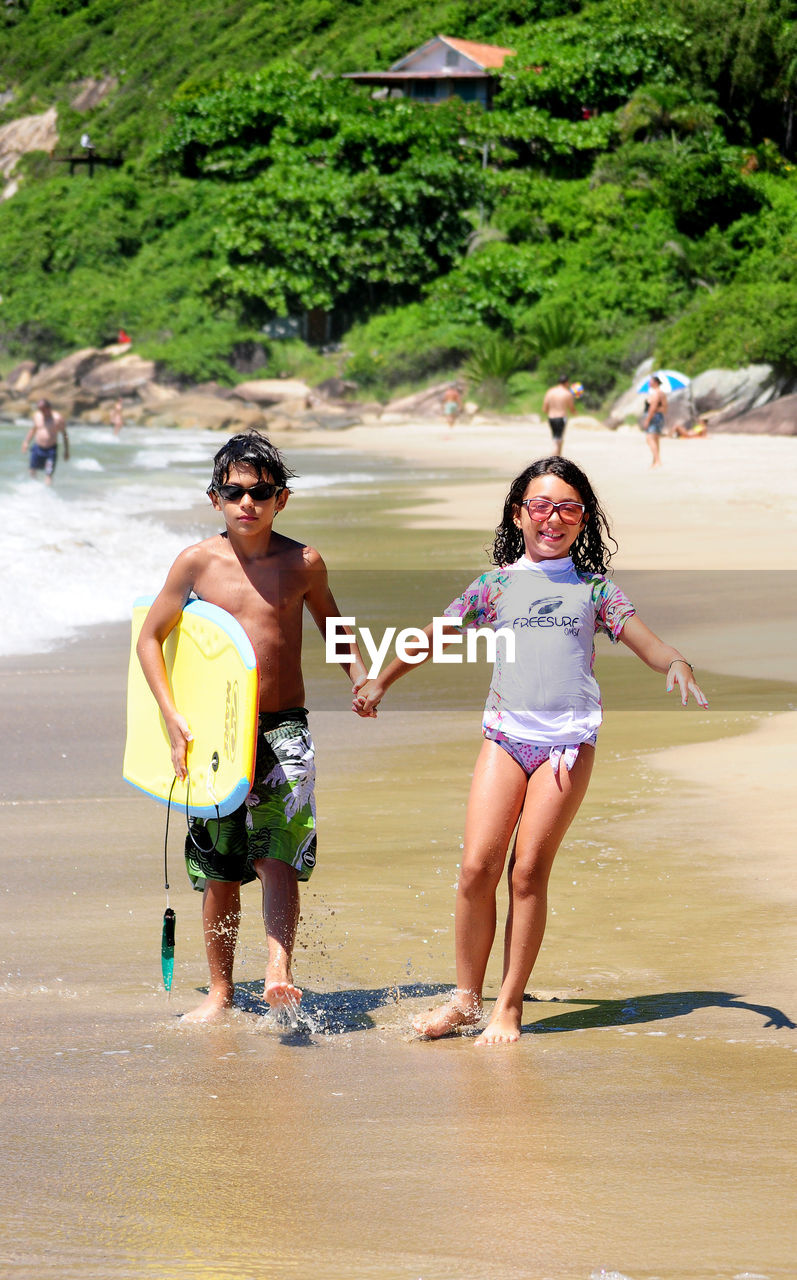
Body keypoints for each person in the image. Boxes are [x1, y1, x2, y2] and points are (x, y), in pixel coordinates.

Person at [353, 456, 707, 1046]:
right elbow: (433, 637)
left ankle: (508, 1006)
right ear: (519, 515)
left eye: (568, 507)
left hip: (566, 747)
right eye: (540, 506)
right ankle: (466, 999)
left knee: (526, 874)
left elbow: (647, 641)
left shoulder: (595, 590)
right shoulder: (494, 586)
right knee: (475, 871)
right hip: (505, 737)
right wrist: (382, 681)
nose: (553, 518)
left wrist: (675, 661)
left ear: (584, 519)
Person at [136, 432, 371, 1023]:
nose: (247, 503)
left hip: (284, 724)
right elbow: (149, 639)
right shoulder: (196, 562)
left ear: (281, 499)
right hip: (213, 732)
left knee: (280, 851)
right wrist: (171, 716)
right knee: (220, 865)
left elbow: (333, 626)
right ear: (215, 497)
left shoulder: (303, 563)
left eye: (260, 492)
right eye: (234, 491)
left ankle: (277, 972)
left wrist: (360, 678)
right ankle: (219, 991)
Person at [21, 399, 70, 485]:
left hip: (50, 450)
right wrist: (26, 442)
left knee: (49, 473)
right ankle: (34, 489)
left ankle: (47, 493)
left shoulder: (57, 418)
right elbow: (33, 429)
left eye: (42, 409)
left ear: (49, 408)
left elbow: (64, 434)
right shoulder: (37, 416)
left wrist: (66, 450)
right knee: (32, 470)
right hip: (37, 447)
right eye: (39, 409)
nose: (41, 411)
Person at [542, 374, 576, 456]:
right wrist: (575, 412)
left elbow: (544, 409)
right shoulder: (567, 393)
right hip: (561, 418)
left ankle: (557, 459)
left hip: (551, 418)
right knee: (558, 441)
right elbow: (571, 409)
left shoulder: (550, 392)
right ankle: (555, 459)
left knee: (555, 439)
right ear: (567, 382)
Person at [642, 375, 668, 467]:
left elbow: (653, 408)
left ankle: (657, 460)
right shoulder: (662, 393)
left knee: (650, 438)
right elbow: (665, 407)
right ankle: (655, 461)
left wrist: (647, 420)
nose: (649, 383)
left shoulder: (656, 393)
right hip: (659, 417)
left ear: (656, 382)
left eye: (651, 381)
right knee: (655, 439)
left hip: (653, 417)